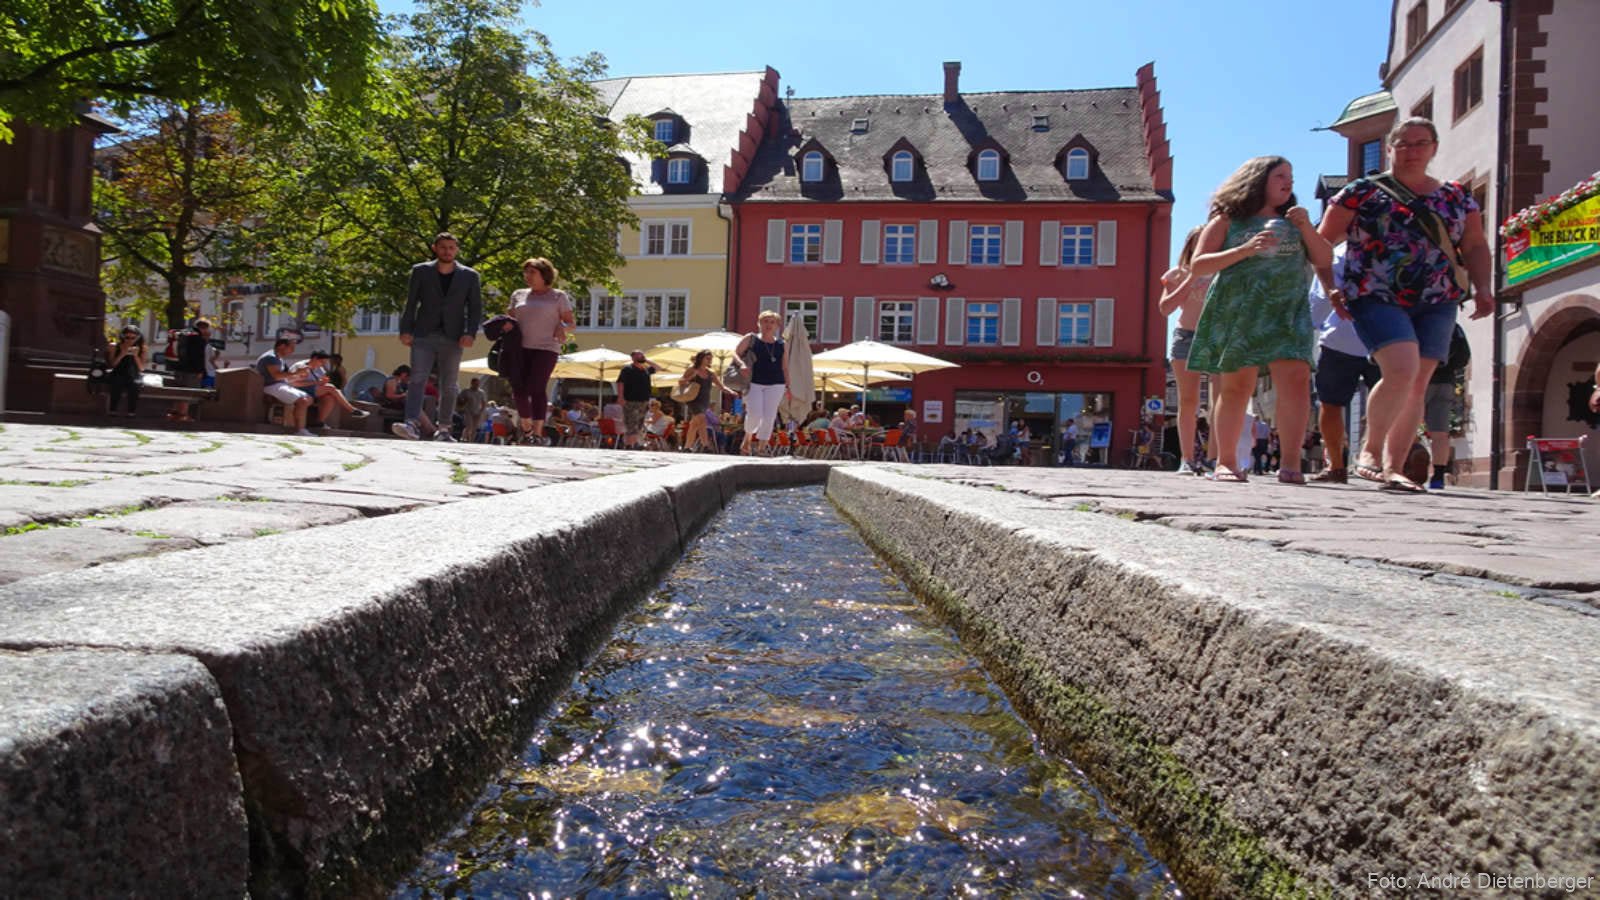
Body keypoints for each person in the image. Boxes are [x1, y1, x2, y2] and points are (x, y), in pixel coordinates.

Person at [1317, 117, 1494, 493]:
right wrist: (1329, 286)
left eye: (1421, 143)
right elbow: (1321, 244)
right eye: (1405, 143)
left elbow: (1475, 245)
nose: (1412, 150)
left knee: (1417, 383)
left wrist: (1483, 287)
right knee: (1401, 368)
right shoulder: (1360, 192)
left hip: (1439, 298)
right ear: (1390, 147)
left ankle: (1393, 467)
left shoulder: (1457, 197)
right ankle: (1369, 450)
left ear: (1433, 148)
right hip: (1375, 293)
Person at [1186, 155, 1333, 484]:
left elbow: (1324, 259)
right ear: (1257, 180)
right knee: (1237, 386)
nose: (1289, 182)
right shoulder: (1228, 220)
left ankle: (1291, 464)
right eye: (1280, 175)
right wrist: (1246, 249)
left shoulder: (1295, 221)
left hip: (1287, 310)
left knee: (1295, 381)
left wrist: (1307, 226)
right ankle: (1225, 462)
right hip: (1241, 310)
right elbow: (1199, 265)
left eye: (1291, 177)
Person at [395, 232, 482, 441]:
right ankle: (411, 424)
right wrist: (405, 330)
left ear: (457, 250)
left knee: (449, 384)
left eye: (452, 248)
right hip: (424, 333)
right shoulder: (421, 271)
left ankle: (443, 428)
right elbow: (411, 303)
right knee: (417, 379)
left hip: (454, 336)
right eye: (443, 247)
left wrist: (470, 333)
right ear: (435, 248)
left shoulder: (470, 275)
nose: (447, 251)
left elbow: (475, 307)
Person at [1308, 243, 1382, 484]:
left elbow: (1319, 300)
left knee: (1330, 404)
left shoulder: (1337, 254)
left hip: (1341, 337)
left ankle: (1337, 466)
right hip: (1385, 338)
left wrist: (1317, 325)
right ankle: (1385, 461)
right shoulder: (1395, 244)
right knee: (1393, 399)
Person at [1158, 227, 1216, 475]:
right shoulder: (1177, 273)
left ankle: (1216, 458)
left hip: (1216, 336)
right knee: (1189, 400)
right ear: (1191, 245)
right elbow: (1166, 308)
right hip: (1186, 336)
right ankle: (1188, 459)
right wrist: (1192, 277)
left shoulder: (1225, 271)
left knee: (1219, 401)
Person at [505, 257, 573, 446]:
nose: (527, 276)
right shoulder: (518, 294)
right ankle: (526, 428)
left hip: (546, 347)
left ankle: (537, 432)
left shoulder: (558, 296)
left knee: (536, 387)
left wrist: (562, 328)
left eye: (532, 272)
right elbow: (510, 318)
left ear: (545, 274)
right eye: (525, 272)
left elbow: (570, 322)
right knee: (518, 389)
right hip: (519, 348)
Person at [734, 310, 789, 454]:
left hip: (777, 382)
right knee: (755, 414)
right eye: (765, 321)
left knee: (770, 416)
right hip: (754, 381)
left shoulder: (782, 344)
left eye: (772, 322)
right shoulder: (751, 339)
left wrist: (788, 386)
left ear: (777, 326)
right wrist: (742, 365)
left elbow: (784, 366)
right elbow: (735, 354)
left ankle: (762, 447)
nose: (769, 324)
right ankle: (748, 437)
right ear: (759, 323)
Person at [1423, 325, 1470, 490]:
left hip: (1420, 379)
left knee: (1407, 424)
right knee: (1440, 433)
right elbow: (1464, 357)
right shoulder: (1454, 327)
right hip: (1446, 382)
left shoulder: (1418, 320)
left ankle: (1403, 470)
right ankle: (1438, 476)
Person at [289, 349, 369, 429]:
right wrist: (316, 383)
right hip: (298, 390)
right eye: (322, 362)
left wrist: (323, 381)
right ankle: (352, 410)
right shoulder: (301, 366)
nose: (323, 365)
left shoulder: (320, 368)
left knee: (329, 398)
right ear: (315, 359)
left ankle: (319, 422)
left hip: (313, 390)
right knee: (330, 387)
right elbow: (293, 383)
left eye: (325, 363)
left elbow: (321, 380)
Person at [256, 337, 314, 436]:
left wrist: (298, 375)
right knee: (303, 400)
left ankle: (296, 426)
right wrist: (296, 372)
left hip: (279, 384)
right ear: (282, 346)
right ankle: (300, 430)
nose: (292, 351)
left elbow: (284, 377)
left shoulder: (279, 358)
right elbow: (277, 375)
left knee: (308, 398)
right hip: (270, 386)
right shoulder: (271, 357)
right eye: (291, 348)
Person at [677, 349, 727, 453]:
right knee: (702, 419)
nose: (710, 360)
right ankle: (706, 446)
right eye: (707, 358)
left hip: (705, 400)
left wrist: (732, 392)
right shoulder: (692, 369)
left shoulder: (711, 373)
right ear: (701, 359)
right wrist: (691, 376)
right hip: (693, 399)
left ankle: (687, 447)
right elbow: (681, 382)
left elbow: (721, 386)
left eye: (711, 359)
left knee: (694, 424)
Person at [167, 318, 212, 422]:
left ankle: (174, 413)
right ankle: (183, 415)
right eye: (208, 329)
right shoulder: (198, 339)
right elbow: (199, 356)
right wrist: (201, 371)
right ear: (204, 328)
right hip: (192, 369)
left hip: (178, 367)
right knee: (188, 391)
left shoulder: (184, 334)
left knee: (179, 389)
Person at [615, 350, 659, 449]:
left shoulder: (646, 369)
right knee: (631, 423)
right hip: (631, 400)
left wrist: (646, 360)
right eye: (639, 355)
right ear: (633, 357)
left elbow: (658, 368)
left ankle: (629, 444)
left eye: (642, 355)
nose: (641, 356)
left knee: (639, 423)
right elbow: (620, 383)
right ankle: (632, 445)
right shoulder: (627, 369)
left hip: (643, 401)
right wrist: (620, 397)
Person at [106, 325, 147, 417]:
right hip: (118, 372)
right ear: (123, 337)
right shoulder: (114, 346)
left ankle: (131, 412)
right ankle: (113, 410)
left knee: (135, 385)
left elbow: (141, 368)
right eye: (127, 337)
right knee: (117, 382)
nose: (130, 340)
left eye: (133, 338)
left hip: (133, 374)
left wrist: (136, 356)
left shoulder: (141, 348)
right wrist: (122, 354)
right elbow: (112, 364)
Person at [458, 377, 488, 444]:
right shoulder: (466, 391)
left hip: (477, 411)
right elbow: (460, 400)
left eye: (478, 384)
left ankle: (471, 441)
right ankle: (465, 438)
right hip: (468, 411)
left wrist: (481, 411)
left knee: (475, 427)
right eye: (475, 384)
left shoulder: (481, 392)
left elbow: (484, 403)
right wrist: (463, 401)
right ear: (472, 383)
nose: (477, 385)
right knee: (469, 426)